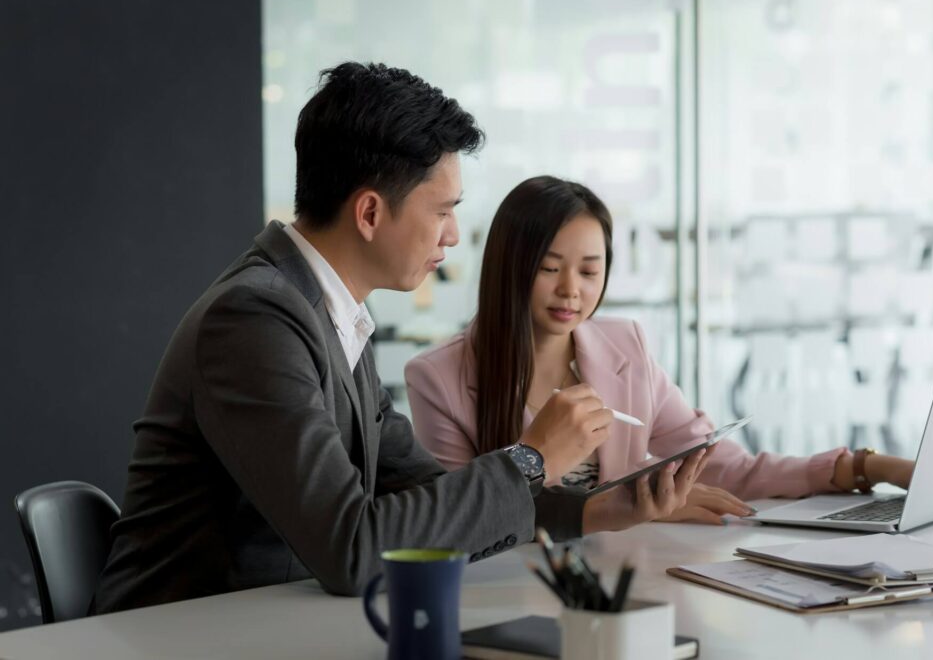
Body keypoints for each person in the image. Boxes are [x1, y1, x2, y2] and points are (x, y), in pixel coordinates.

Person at [92, 65, 709, 614]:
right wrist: (530, 458)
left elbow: (428, 495)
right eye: (442, 211)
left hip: (270, 623)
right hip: (182, 636)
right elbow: (353, 548)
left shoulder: (331, 316)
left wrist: (601, 511)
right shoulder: (255, 320)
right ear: (369, 213)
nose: (453, 236)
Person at [406, 175, 915, 525]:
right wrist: (631, 506)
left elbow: (716, 466)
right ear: (509, 266)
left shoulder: (623, 345)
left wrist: (863, 468)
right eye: (548, 268)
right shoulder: (439, 377)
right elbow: (465, 519)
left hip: (631, 572)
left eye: (589, 271)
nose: (571, 291)